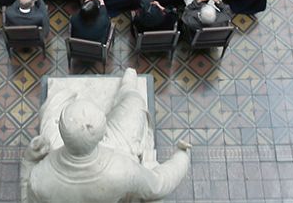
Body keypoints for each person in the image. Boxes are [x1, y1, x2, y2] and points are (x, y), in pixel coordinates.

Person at [20, 69, 192, 203]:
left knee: (52, 105)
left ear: (61, 130)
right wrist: (182, 156)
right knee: (134, 103)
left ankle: (125, 88)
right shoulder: (122, 169)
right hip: (115, 149)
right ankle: (128, 88)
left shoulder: (40, 176)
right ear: (102, 133)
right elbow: (159, 184)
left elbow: (26, 198)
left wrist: (29, 159)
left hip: (60, 150)